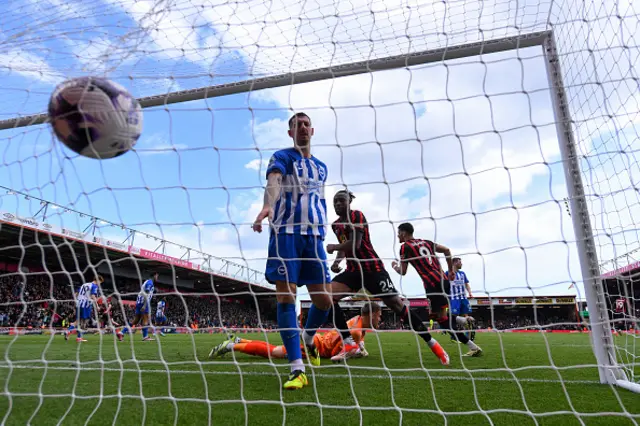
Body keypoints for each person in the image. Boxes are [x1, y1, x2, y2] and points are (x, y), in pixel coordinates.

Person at [317, 190, 449, 365]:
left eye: (341, 201)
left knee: (397, 306)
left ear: (349, 202)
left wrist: (334, 247)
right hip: (354, 271)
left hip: (373, 269)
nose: (338, 204)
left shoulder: (357, 216)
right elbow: (345, 246)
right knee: (326, 296)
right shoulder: (336, 225)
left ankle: (434, 345)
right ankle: (349, 344)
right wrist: (337, 261)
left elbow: (355, 244)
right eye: (335, 202)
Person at [252, 112, 333, 390]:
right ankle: (296, 369)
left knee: (324, 301)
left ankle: (309, 338)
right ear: (290, 133)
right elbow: (273, 182)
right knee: (286, 297)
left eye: (305, 124)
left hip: (314, 239)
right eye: (296, 125)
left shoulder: (322, 167)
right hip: (285, 234)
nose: (301, 128)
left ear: (313, 130)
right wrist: (268, 205)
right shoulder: (283, 157)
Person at [392, 223, 482, 357]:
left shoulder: (405, 247)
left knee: (441, 319)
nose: (398, 235)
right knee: (436, 315)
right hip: (443, 280)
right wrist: (451, 270)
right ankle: (462, 320)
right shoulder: (426, 242)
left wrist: (395, 266)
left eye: (398, 233)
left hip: (431, 283)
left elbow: (403, 271)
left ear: (404, 233)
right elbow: (446, 250)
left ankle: (472, 346)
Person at [209, 303, 382, 360]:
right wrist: (355, 353)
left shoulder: (356, 321)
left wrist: (360, 350)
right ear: (372, 314)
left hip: (319, 340)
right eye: (379, 316)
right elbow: (339, 357)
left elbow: (360, 345)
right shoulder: (357, 331)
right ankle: (231, 345)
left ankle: (239, 340)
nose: (380, 319)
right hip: (315, 348)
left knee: (274, 347)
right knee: (275, 352)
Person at [445, 257, 475, 343]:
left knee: (466, 316)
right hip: (454, 299)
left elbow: (466, 284)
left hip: (463, 298)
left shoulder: (462, 274)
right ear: (454, 263)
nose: (461, 264)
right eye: (460, 262)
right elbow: (444, 285)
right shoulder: (448, 273)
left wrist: (470, 292)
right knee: (453, 317)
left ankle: (467, 336)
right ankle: (454, 336)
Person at [72, 275, 103, 342]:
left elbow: (76, 293)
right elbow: (92, 295)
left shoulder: (84, 284)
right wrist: (97, 305)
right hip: (85, 304)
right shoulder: (94, 286)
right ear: (98, 280)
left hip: (79, 303)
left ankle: (69, 332)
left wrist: (75, 301)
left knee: (78, 320)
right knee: (84, 321)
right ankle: (79, 337)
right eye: (100, 282)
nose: (99, 284)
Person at [129, 271, 159, 341]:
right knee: (146, 319)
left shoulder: (147, 281)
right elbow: (146, 294)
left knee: (136, 320)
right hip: (144, 302)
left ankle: (122, 332)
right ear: (154, 275)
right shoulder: (150, 283)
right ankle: (145, 337)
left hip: (139, 301)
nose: (157, 278)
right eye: (157, 276)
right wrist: (144, 305)